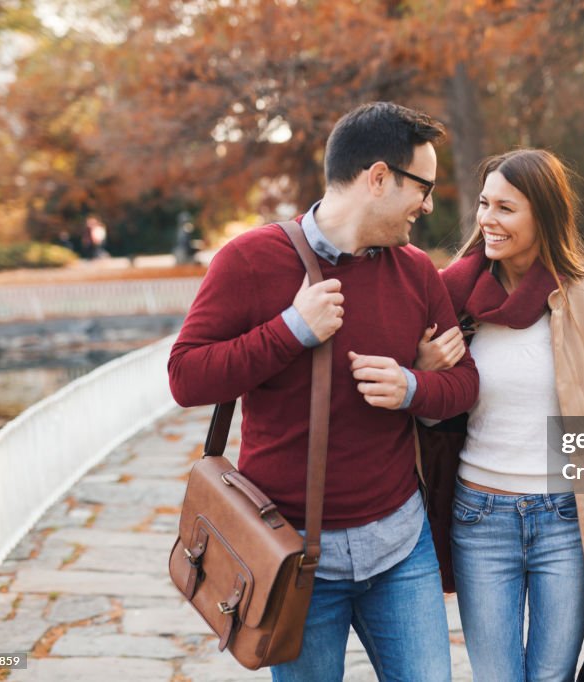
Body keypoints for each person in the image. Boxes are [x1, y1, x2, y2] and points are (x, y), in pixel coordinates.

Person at [168, 102, 479, 682]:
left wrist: (412, 385)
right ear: (379, 178)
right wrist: (289, 331)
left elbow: (463, 387)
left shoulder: (416, 272)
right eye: (424, 187)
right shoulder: (249, 260)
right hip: (292, 558)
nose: (430, 205)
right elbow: (185, 377)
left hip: (401, 549)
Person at [417, 149, 584, 681]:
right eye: (485, 204)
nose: (487, 218)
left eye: (506, 208)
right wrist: (423, 375)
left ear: (545, 214)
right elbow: (424, 422)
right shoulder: (453, 304)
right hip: (479, 519)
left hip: (570, 521)